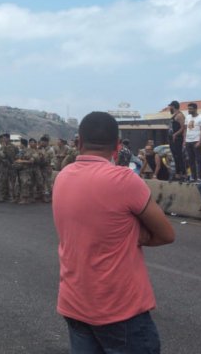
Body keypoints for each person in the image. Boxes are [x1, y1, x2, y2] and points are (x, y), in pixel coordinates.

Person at [53, 111, 175, 352]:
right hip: (118, 309)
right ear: (117, 147)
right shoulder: (123, 180)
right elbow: (166, 234)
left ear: (78, 142)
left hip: (74, 302)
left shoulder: (62, 177)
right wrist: (134, 235)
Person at [184, 102, 201, 182]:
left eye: (190, 109)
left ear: (195, 109)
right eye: (188, 108)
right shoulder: (187, 117)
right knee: (190, 160)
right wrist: (184, 140)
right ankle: (193, 177)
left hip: (196, 140)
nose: (189, 110)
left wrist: (200, 142)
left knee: (199, 160)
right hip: (188, 141)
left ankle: (200, 177)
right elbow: (185, 129)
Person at [168, 100, 187, 181]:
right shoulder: (174, 115)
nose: (169, 108)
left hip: (178, 139)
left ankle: (183, 173)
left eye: (170, 107)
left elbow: (183, 127)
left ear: (173, 106)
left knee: (179, 156)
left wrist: (176, 134)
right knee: (175, 156)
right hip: (172, 139)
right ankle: (177, 173)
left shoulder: (180, 115)